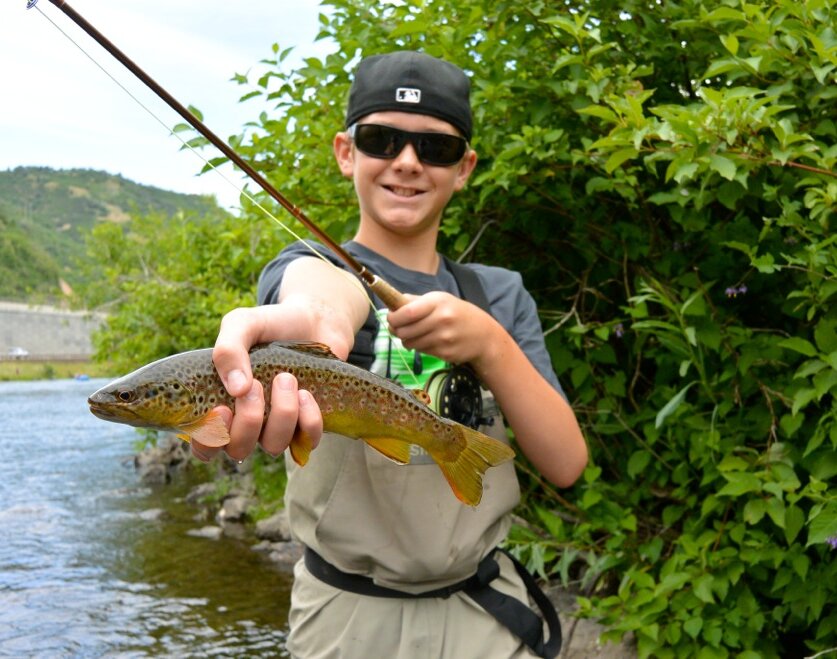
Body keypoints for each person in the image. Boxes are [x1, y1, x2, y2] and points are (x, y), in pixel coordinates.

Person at [194, 50, 588, 658]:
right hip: (344, 619)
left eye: (436, 148)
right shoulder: (307, 269)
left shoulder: (499, 295)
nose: (407, 162)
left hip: (485, 613)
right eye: (382, 139)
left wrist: (491, 344)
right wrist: (322, 322)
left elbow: (565, 464)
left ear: (465, 168)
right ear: (346, 152)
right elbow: (326, 299)